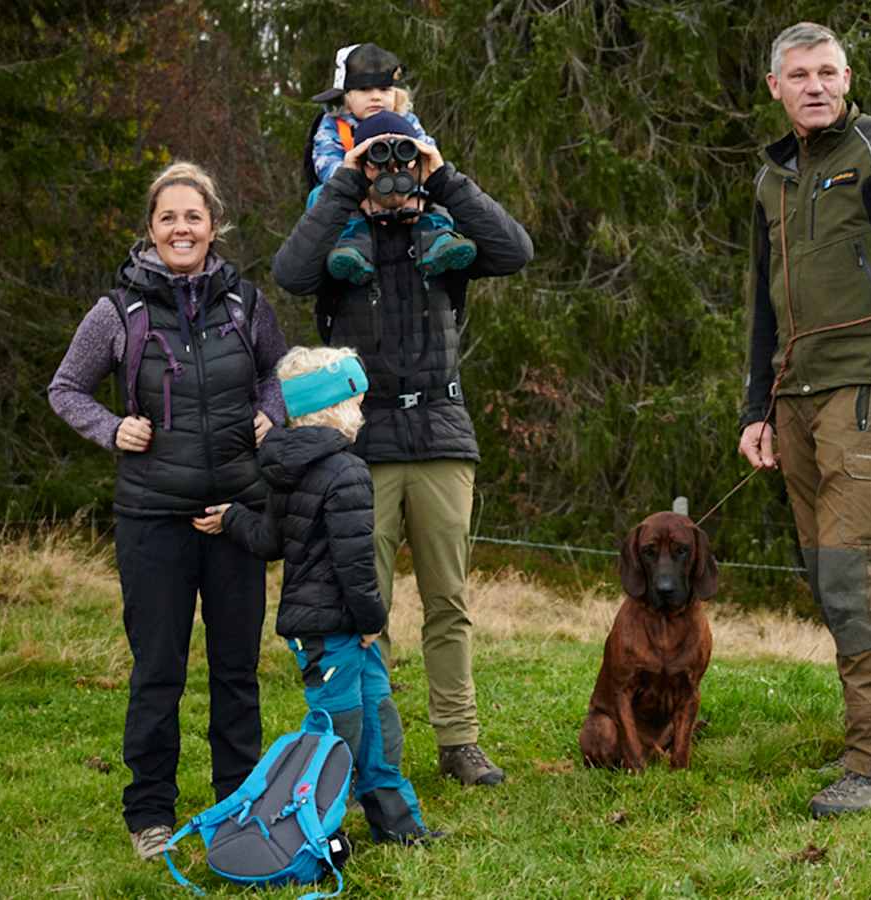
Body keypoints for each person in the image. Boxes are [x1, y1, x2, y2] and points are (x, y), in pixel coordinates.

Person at [736, 22, 871, 818]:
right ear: (775, 87)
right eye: (799, 75)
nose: (816, 86)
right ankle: (868, 736)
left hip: (868, 389)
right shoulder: (772, 179)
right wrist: (755, 409)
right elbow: (761, 307)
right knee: (823, 573)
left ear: (847, 76)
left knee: (849, 571)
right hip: (792, 399)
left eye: (828, 72)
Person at [274, 109, 534, 787]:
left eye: (401, 161)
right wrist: (343, 183)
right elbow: (289, 271)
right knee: (366, 607)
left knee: (449, 600)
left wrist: (443, 176)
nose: (391, 175)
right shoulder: (338, 244)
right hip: (362, 443)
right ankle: (372, 749)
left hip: (442, 433)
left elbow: (515, 251)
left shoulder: (444, 235)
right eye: (378, 161)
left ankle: (459, 740)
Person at [48, 162, 289, 858]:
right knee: (159, 668)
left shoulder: (247, 303)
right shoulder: (117, 312)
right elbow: (67, 389)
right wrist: (110, 429)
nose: (181, 228)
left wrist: (271, 410)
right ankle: (149, 812)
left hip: (235, 515)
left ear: (214, 225)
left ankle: (238, 805)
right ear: (150, 230)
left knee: (237, 669)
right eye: (167, 218)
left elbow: (278, 370)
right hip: (152, 520)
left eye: (193, 216)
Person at [195, 346, 438, 844]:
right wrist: (373, 620)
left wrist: (232, 517)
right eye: (359, 403)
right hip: (337, 630)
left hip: (330, 628)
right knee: (337, 731)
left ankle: (396, 824)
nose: (363, 414)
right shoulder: (346, 472)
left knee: (377, 718)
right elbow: (355, 565)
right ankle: (297, 830)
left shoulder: (288, 468)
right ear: (338, 408)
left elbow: (269, 541)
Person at [303, 43, 476, 285]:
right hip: (357, 199)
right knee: (320, 196)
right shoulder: (333, 125)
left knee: (441, 189)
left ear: (395, 93)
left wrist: (420, 194)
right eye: (364, 89)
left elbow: (429, 157)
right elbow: (326, 165)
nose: (375, 96)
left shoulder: (407, 121)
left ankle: (437, 242)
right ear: (346, 96)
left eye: (384, 89)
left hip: (408, 192)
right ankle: (354, 251)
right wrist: (361, 195)